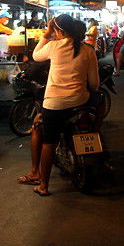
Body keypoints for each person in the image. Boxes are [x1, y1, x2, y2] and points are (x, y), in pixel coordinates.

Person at [18, 14, 99, 196]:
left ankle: (43, 186)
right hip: (80, 101)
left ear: (59, 30)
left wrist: (46, 34)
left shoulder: (54, 46)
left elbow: (36, 56)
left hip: (55, 104)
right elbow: (94, 84)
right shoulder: (88, 50)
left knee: (49, 143)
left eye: (54, 30)